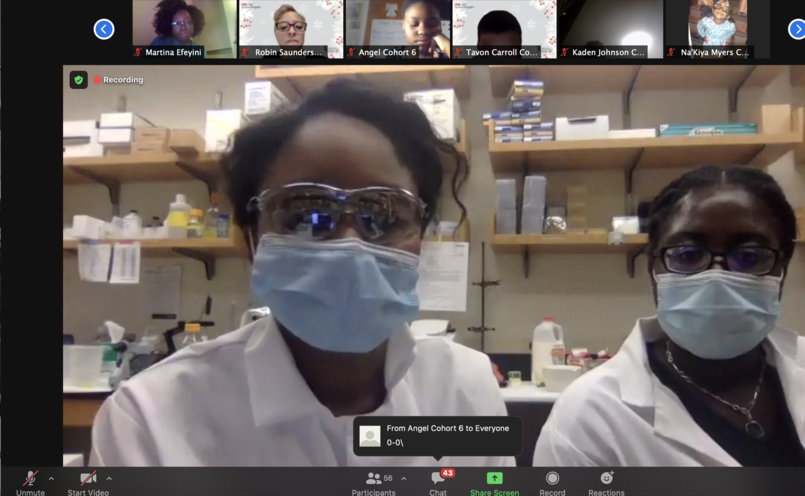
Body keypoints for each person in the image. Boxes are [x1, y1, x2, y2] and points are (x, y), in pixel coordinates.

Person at [89, 79, 515, 468]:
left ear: (419, 238)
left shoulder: (463, 390)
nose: (349, 243)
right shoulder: (149, 418)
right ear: (251, 239)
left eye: (382, 214)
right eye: (305, 214)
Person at [534, 165, 805, 467]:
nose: (717, 278)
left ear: (781, 269)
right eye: (688, 255)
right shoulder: (588, 419)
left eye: (749, 256)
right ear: (654, 269)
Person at [376, 1, 449, 59]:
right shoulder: (387, 56)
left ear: (440, 26)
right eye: (414, 24)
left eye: (432, 24)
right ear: (404, 25)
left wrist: (448, 46)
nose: (423, 31)